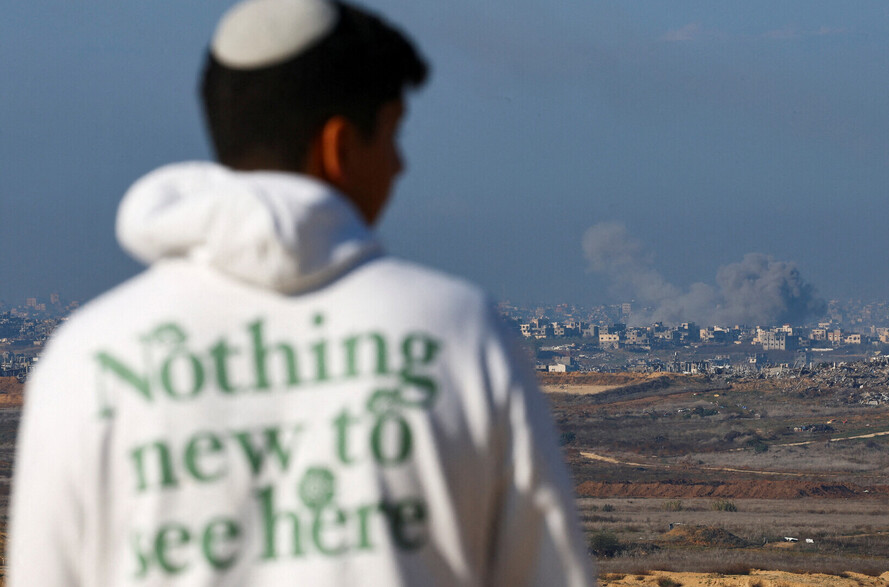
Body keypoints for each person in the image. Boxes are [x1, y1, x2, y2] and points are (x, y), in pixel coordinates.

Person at [8, 1, 593, 585]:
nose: (400, 164)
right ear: (337, 145)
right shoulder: (460, 335)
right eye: (392, 135)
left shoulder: (86, 361)